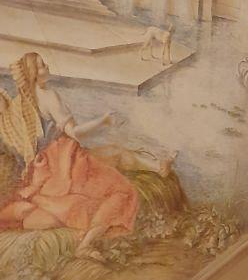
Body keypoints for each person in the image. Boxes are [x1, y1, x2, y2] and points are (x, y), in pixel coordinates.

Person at [0, 53, 143, 252]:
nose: (47, 67)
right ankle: (86, 244)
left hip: (43, 166)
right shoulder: (49, 96)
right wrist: (104, 121)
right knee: (122, 191)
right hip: (62, 160)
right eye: (41, 66)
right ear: (32, 74)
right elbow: (75, 133)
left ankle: (84, 241)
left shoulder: (22, 102)